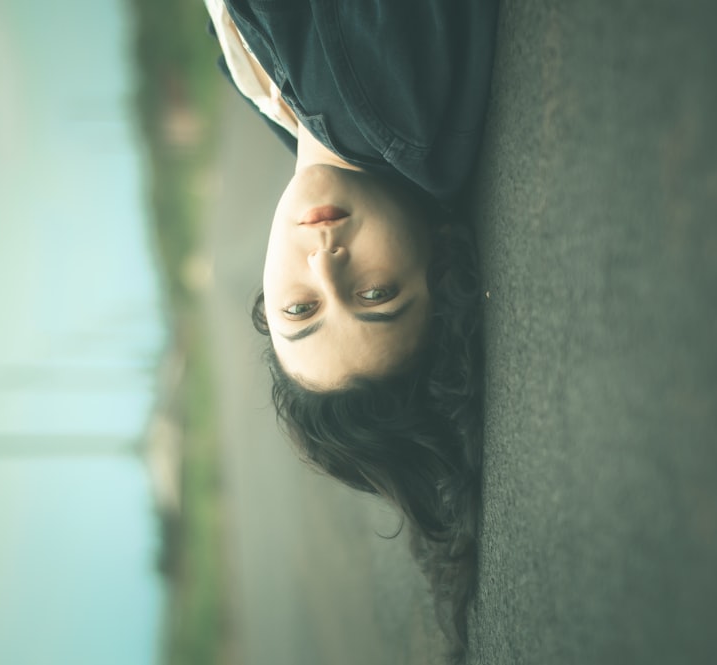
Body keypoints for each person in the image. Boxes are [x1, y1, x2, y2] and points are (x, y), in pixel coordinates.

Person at [204, 0, 497, 658]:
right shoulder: (387, 105)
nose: (325, 263)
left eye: (301, 309)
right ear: (441, 260)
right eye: (375, 293)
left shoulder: (315, 133)